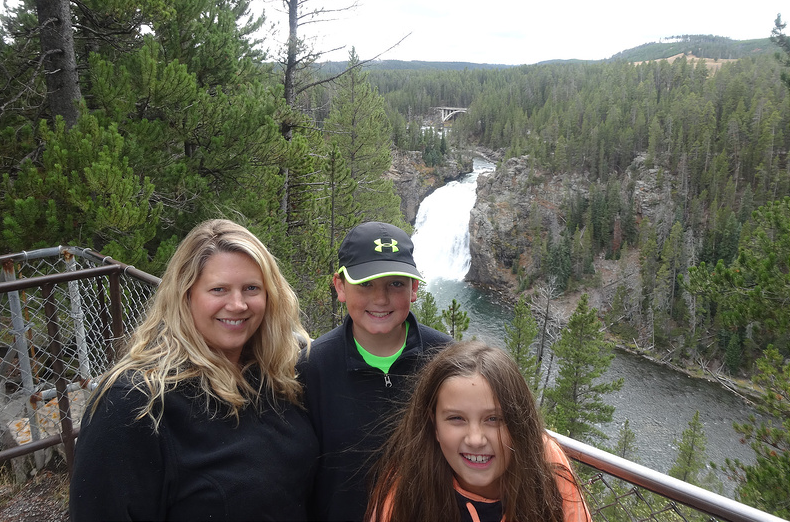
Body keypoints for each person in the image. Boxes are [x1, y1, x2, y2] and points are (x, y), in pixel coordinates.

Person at [69, 219, 318, 521]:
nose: (238, 304)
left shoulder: (278, 375)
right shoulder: (134, 403)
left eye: (251, 288)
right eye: (219, 289)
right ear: (185, 296)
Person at [297, 221, 452, 521]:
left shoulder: (446, 360)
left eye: (396, 283)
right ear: (340, 286)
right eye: (365, 284)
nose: (380, 299)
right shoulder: (310, 368)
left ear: (414, 288)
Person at [366, 340, 593, 522]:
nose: (475, 439)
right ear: (433, 425)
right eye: (456, 418)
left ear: (519, 425)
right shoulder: (407, 486)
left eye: (494, 419)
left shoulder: (546, 464)